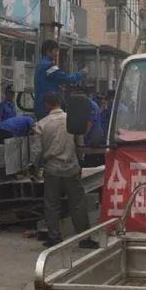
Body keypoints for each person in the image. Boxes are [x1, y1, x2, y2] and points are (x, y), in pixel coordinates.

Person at [31, 93, 92, 246]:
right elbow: (80, 144)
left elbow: (37, 151)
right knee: (77, 203)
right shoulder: (72, 120)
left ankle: (55, 238)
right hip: (72, 168)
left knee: (52, 205)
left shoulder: (42, 125)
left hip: (52, 170)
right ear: (60, 103)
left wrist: (35, 168)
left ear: (47, 105)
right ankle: (84, 238)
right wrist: (80, 162)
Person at [34, 40, 87, 118]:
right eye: (55, 51)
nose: (57, 54)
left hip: (40, 106)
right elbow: (67, 79)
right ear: (48, 51)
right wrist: (82, 73)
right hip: (48, 108)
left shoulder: (40, 64)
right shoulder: (49, 66)